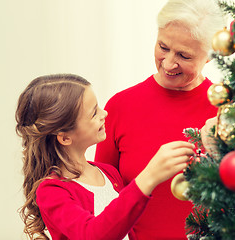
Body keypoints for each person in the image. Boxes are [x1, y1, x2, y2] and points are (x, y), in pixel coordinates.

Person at [94, 0, 225, 239]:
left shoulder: (227, 111)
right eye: (163, 47)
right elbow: (102, 199)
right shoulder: (119, 107)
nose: (168, 63)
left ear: (209, 56)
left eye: (184, 55)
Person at [16, 74, 195, 240]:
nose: (104, 114)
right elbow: (93, 234)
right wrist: (149, 176)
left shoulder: (108, 173)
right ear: (65, 137)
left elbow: (124, 223)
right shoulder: (51, 191)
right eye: (93, 113)